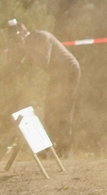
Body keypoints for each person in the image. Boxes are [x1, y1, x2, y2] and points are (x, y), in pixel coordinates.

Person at [8, 19, 81, 156]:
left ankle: (64, 149)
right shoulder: (30, 43)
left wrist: (24, 49)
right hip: (57, 75)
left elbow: (43, 62)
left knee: (64, 109)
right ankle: (50, 147)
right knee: (51, 109)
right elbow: (20, 66)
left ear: (24, 32)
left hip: (69, 71)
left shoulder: (41, 37)